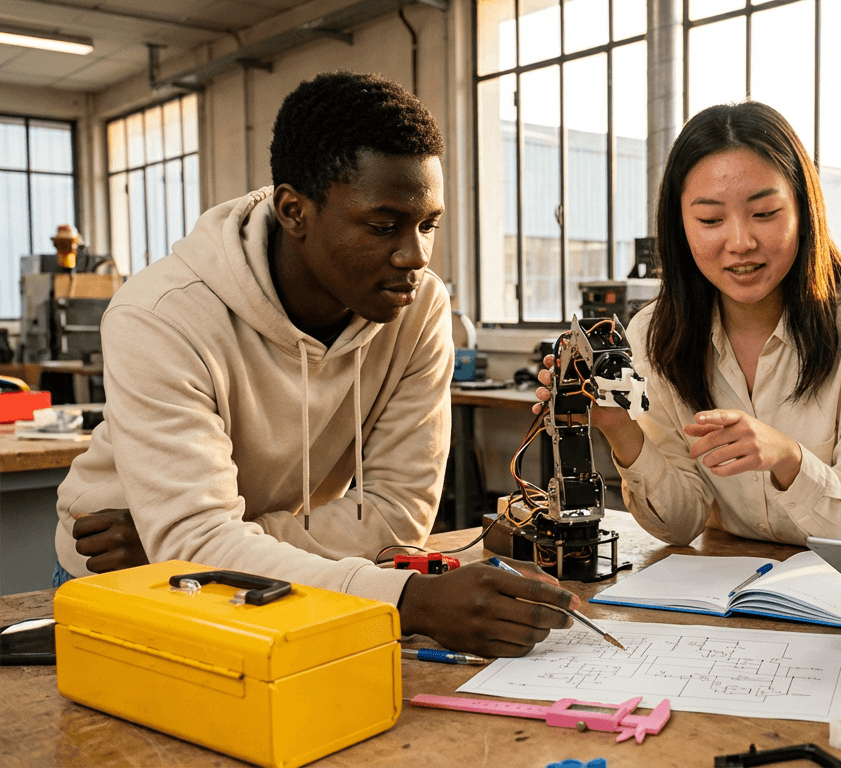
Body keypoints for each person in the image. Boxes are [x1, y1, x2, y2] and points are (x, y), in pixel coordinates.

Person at [54, 71, 576, 657]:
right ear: (294, 211)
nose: (415, 255)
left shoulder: (420, 306)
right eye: (383, 226)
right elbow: (193, 545)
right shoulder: (158, 315)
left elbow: (400, 518)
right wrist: (408, 600)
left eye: (428, 224)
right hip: (127, 581)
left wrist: (197, 544)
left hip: (256, 574)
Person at [537, 101, 841, 547]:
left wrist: (787, 457)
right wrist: (618, 428)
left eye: (764, 214)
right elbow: (681, 524)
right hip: (729, 593)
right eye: (710, 220)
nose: (740, 242)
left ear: (803, 211)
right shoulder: (652, 336)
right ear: (680, 226)